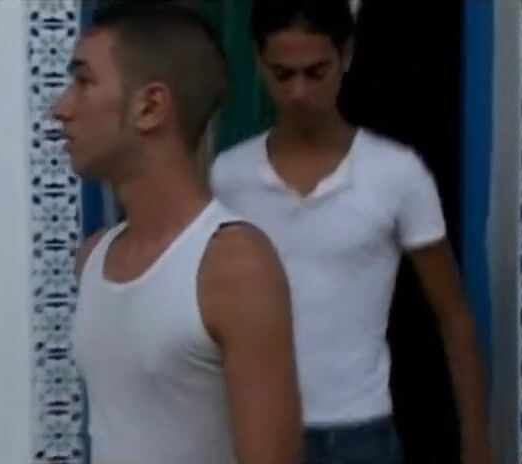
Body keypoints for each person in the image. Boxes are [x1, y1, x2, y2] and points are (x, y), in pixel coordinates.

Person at [210, 1, 494, 463]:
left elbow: (452, 315)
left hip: (360, 436)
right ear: (259, 61)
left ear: (346, 55)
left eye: (315, 72)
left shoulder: (396, 173)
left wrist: (476, 442)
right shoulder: (227, 176)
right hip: (252, 431)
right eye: (283, 74)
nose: (299, 92)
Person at [55, 3, 302, 464]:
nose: (61, 108)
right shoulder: (93, 259)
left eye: (84, 82)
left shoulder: (233, 266)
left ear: (150, 107)